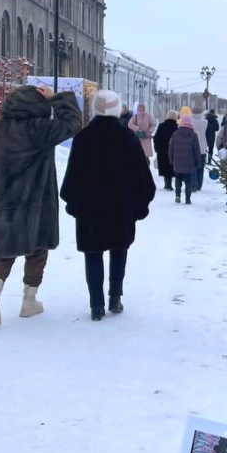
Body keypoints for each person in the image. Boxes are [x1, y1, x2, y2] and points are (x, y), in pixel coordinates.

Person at [0, 84, 82, 329]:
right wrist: (58, 98)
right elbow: (73, 124)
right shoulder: (40, 128)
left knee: (4, 250)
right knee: (37, 249)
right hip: (37, 201)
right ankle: (29, 300)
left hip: (4, 201)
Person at [60, 90, 156, 321]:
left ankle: (95, 305)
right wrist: (140, 202)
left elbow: (71, 177)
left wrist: (73, 201)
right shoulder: (127, 138)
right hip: (120, 209)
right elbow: (143, 179)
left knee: (92, 254)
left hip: (90, 211)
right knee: (118, 250)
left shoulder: (83, 138)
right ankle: (115, 297)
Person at [170, 115, 201, 204]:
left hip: (177, 161)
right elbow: (196, 150)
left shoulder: (175, 134)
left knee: (178, 179)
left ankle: (177, 195)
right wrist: (198, 162)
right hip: (189, 162)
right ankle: (188, 198)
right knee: (188, 181)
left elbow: (171, 148)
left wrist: (171, 159)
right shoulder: (193, 135)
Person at [153, 110, 179, 190]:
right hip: (173, 150)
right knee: (171, 167)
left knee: (165, 167)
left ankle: (167, 183)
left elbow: (156, 138)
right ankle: (169, 184)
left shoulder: (161, 126)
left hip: (162, 150)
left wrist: (157, 148)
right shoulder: (176, 127)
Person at [190, 106, 209, 191]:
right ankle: (199, 185)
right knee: (201, 167)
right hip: (202, 146)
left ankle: (193, 183)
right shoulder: (205, 122)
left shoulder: (190, 121)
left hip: (192, 146)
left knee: (193, 166)